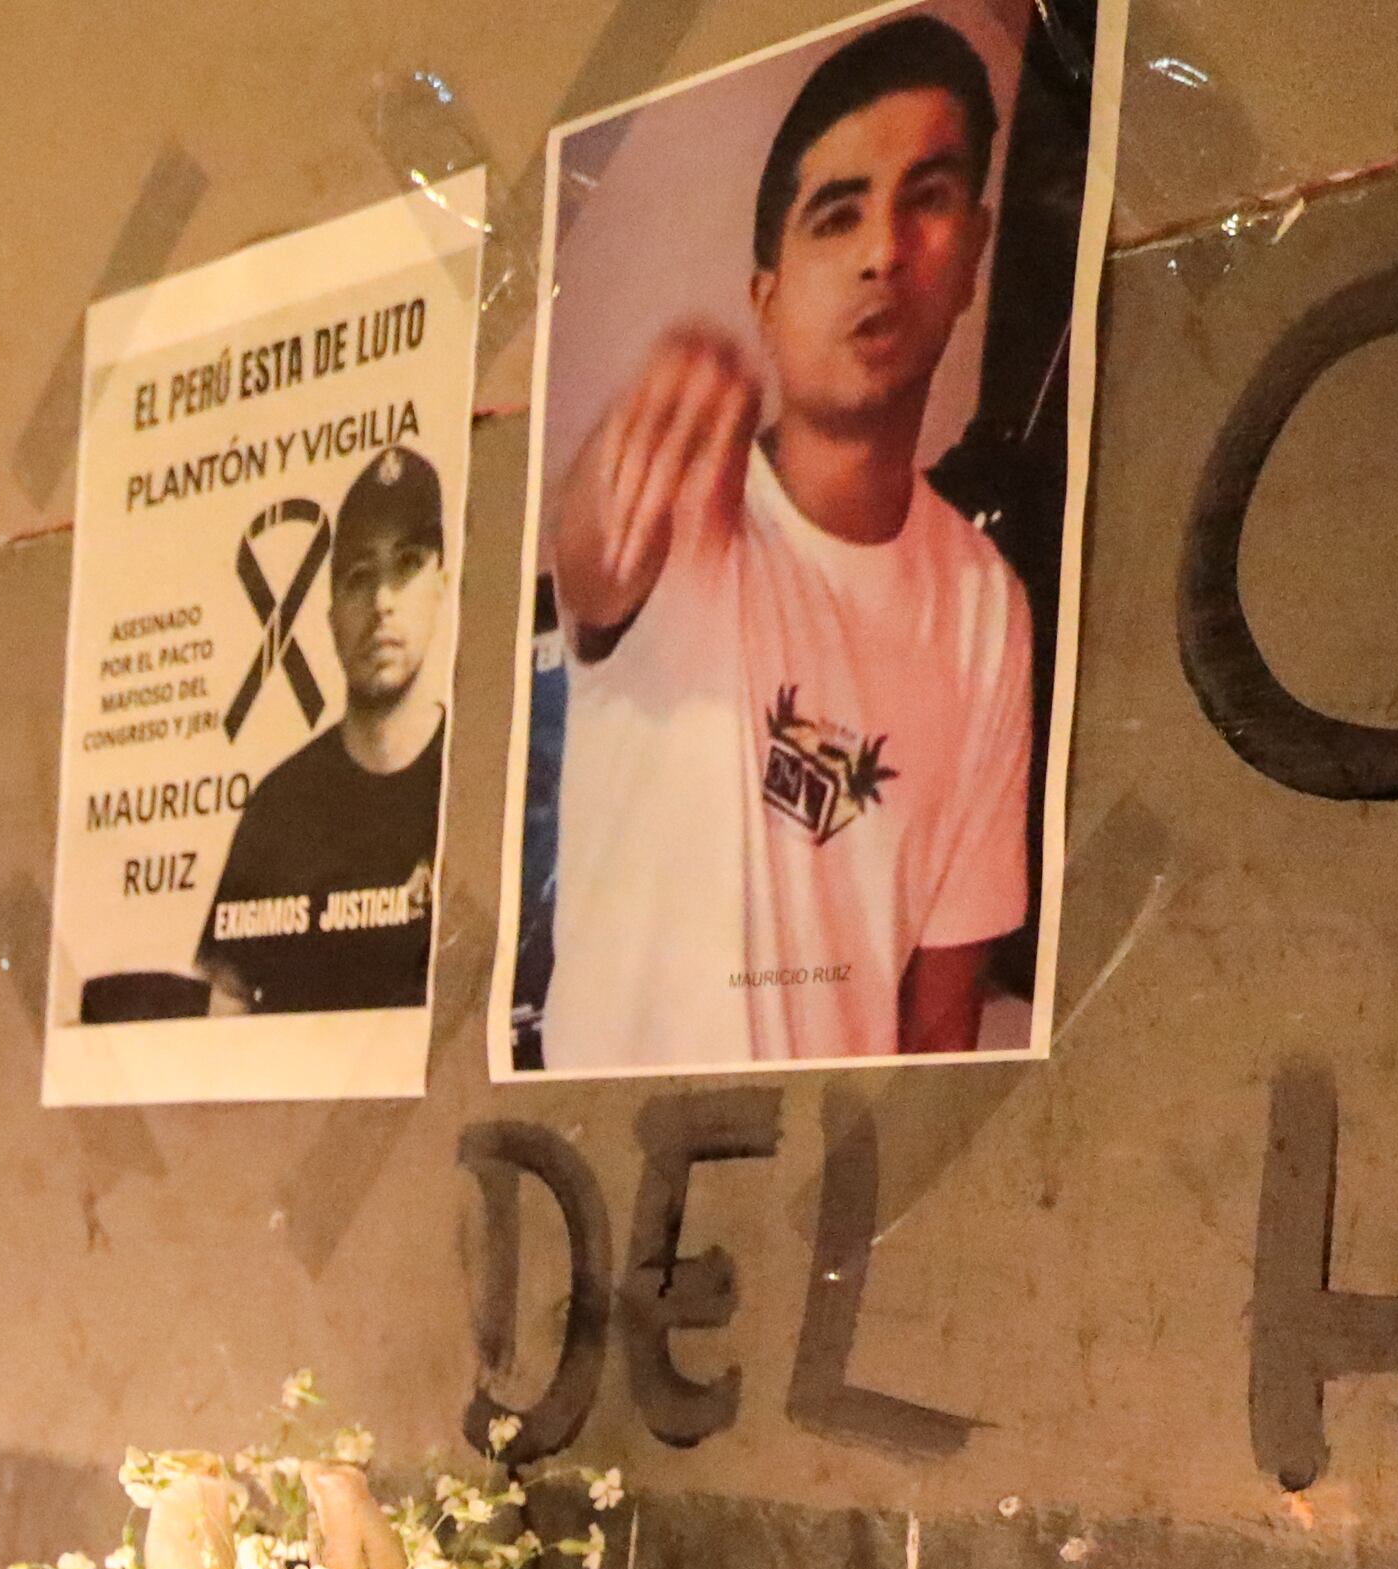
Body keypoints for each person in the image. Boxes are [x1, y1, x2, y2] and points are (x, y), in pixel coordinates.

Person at [530, 12, 1035, 1071]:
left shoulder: (986, 607)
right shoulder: (693, 504)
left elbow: (940, 1024)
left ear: (973, 253)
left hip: (820, 1202)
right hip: (601, 1186)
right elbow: (595, 565)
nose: (882, 253)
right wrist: (626, 450)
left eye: (926, 199)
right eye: (835, 215)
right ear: (766, 295)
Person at [198, 440, 452, 1017]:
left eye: (407, 565)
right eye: (359, 575)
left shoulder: (475, 785)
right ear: (332, 616)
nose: (383, 601)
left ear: (442, 583)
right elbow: (225, 1011)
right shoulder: (279, 806)